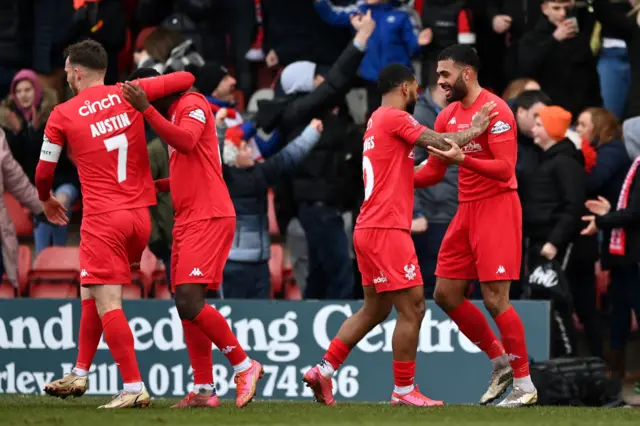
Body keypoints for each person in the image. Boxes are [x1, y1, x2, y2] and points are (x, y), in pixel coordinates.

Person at [303, 62, 497, 406]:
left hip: (369, 228)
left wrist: (439, 164)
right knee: (414, 308)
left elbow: (412, 171)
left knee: (374, 310)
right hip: (387, 230)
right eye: (416, 88)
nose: (418, 94)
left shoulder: (375, 123)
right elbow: (439, 141)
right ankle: (404, 391)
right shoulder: (395, 117)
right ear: (406, 87)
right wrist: (477, 128)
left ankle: (324, 370)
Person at [38, 40, 196, 409]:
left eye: (66, 72)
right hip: (139, 219)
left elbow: (45, 170)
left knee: (108, 301)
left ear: (77, 72)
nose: (66, 77)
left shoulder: (62, 112)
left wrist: (46, 199)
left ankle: (133, 385)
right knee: (90, 289)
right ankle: (79, 372)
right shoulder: (131, 92)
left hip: (103, 219)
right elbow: (186, 76)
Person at [121, 73, 263, 409]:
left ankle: (244, 365)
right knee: (186, 307)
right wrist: (160, 185)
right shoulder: (175, 113)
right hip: (188, 218)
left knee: (188, 300)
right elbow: (194, 163)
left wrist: (146, 111)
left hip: (208, 215)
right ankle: (203, 390)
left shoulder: (193, 103)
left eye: (147, 95)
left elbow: (186, 142)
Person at [413, 44, 537, 407]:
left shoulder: (497, 110)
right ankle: (501, 363)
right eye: (438, 75)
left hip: (497, 207)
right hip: (466, 209)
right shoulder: (446, 115)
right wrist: (398, 176)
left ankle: (525, 385)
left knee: (496, 298)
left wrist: (463, 158)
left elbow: (505, 169)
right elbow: (434, 171)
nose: (440, 81)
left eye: (445, 74)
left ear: (467, 72)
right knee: (445, 295)